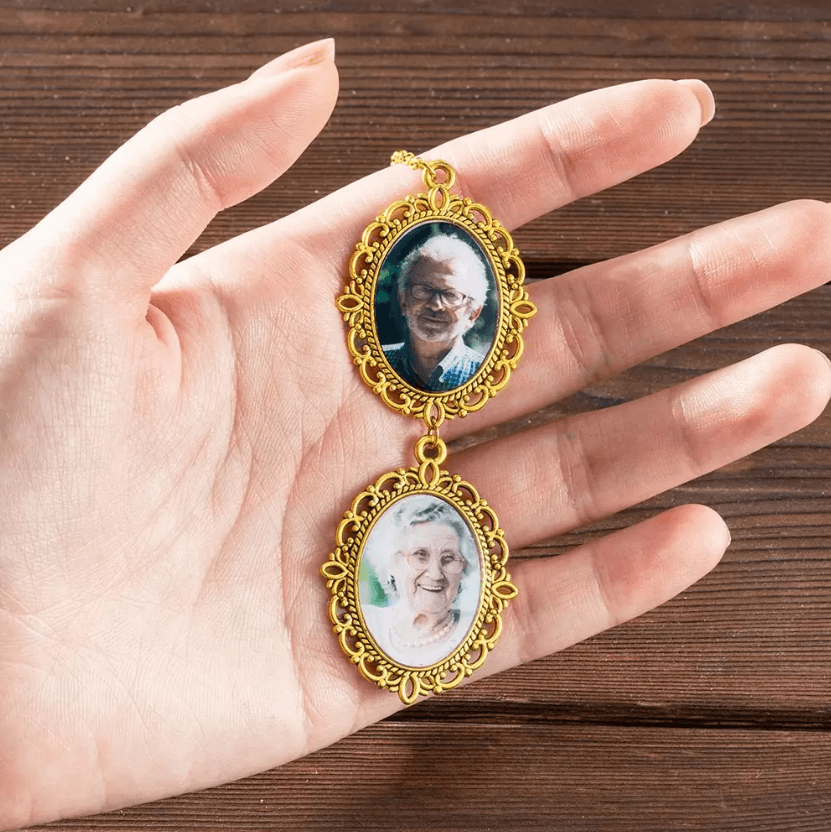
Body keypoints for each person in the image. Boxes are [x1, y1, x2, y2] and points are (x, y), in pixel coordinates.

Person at [2, 37, 831, 829]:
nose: (447, 308)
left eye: (462, 297)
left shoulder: (463, 356)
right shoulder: (393, 352)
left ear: (481, 308)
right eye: (427, 290)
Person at [361, 496, 479, 667]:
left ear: (464, 568)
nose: (436, 574)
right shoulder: (370, 622)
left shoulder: (472, 633)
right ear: (393, 562)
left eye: (448, 558)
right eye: (420, 556)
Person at [382, 233, 491, 391]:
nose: (435, 305)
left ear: (473, 313)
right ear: (403, 299)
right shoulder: (374, 362)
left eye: (451, 295)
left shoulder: (486, 377)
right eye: (424, 290)